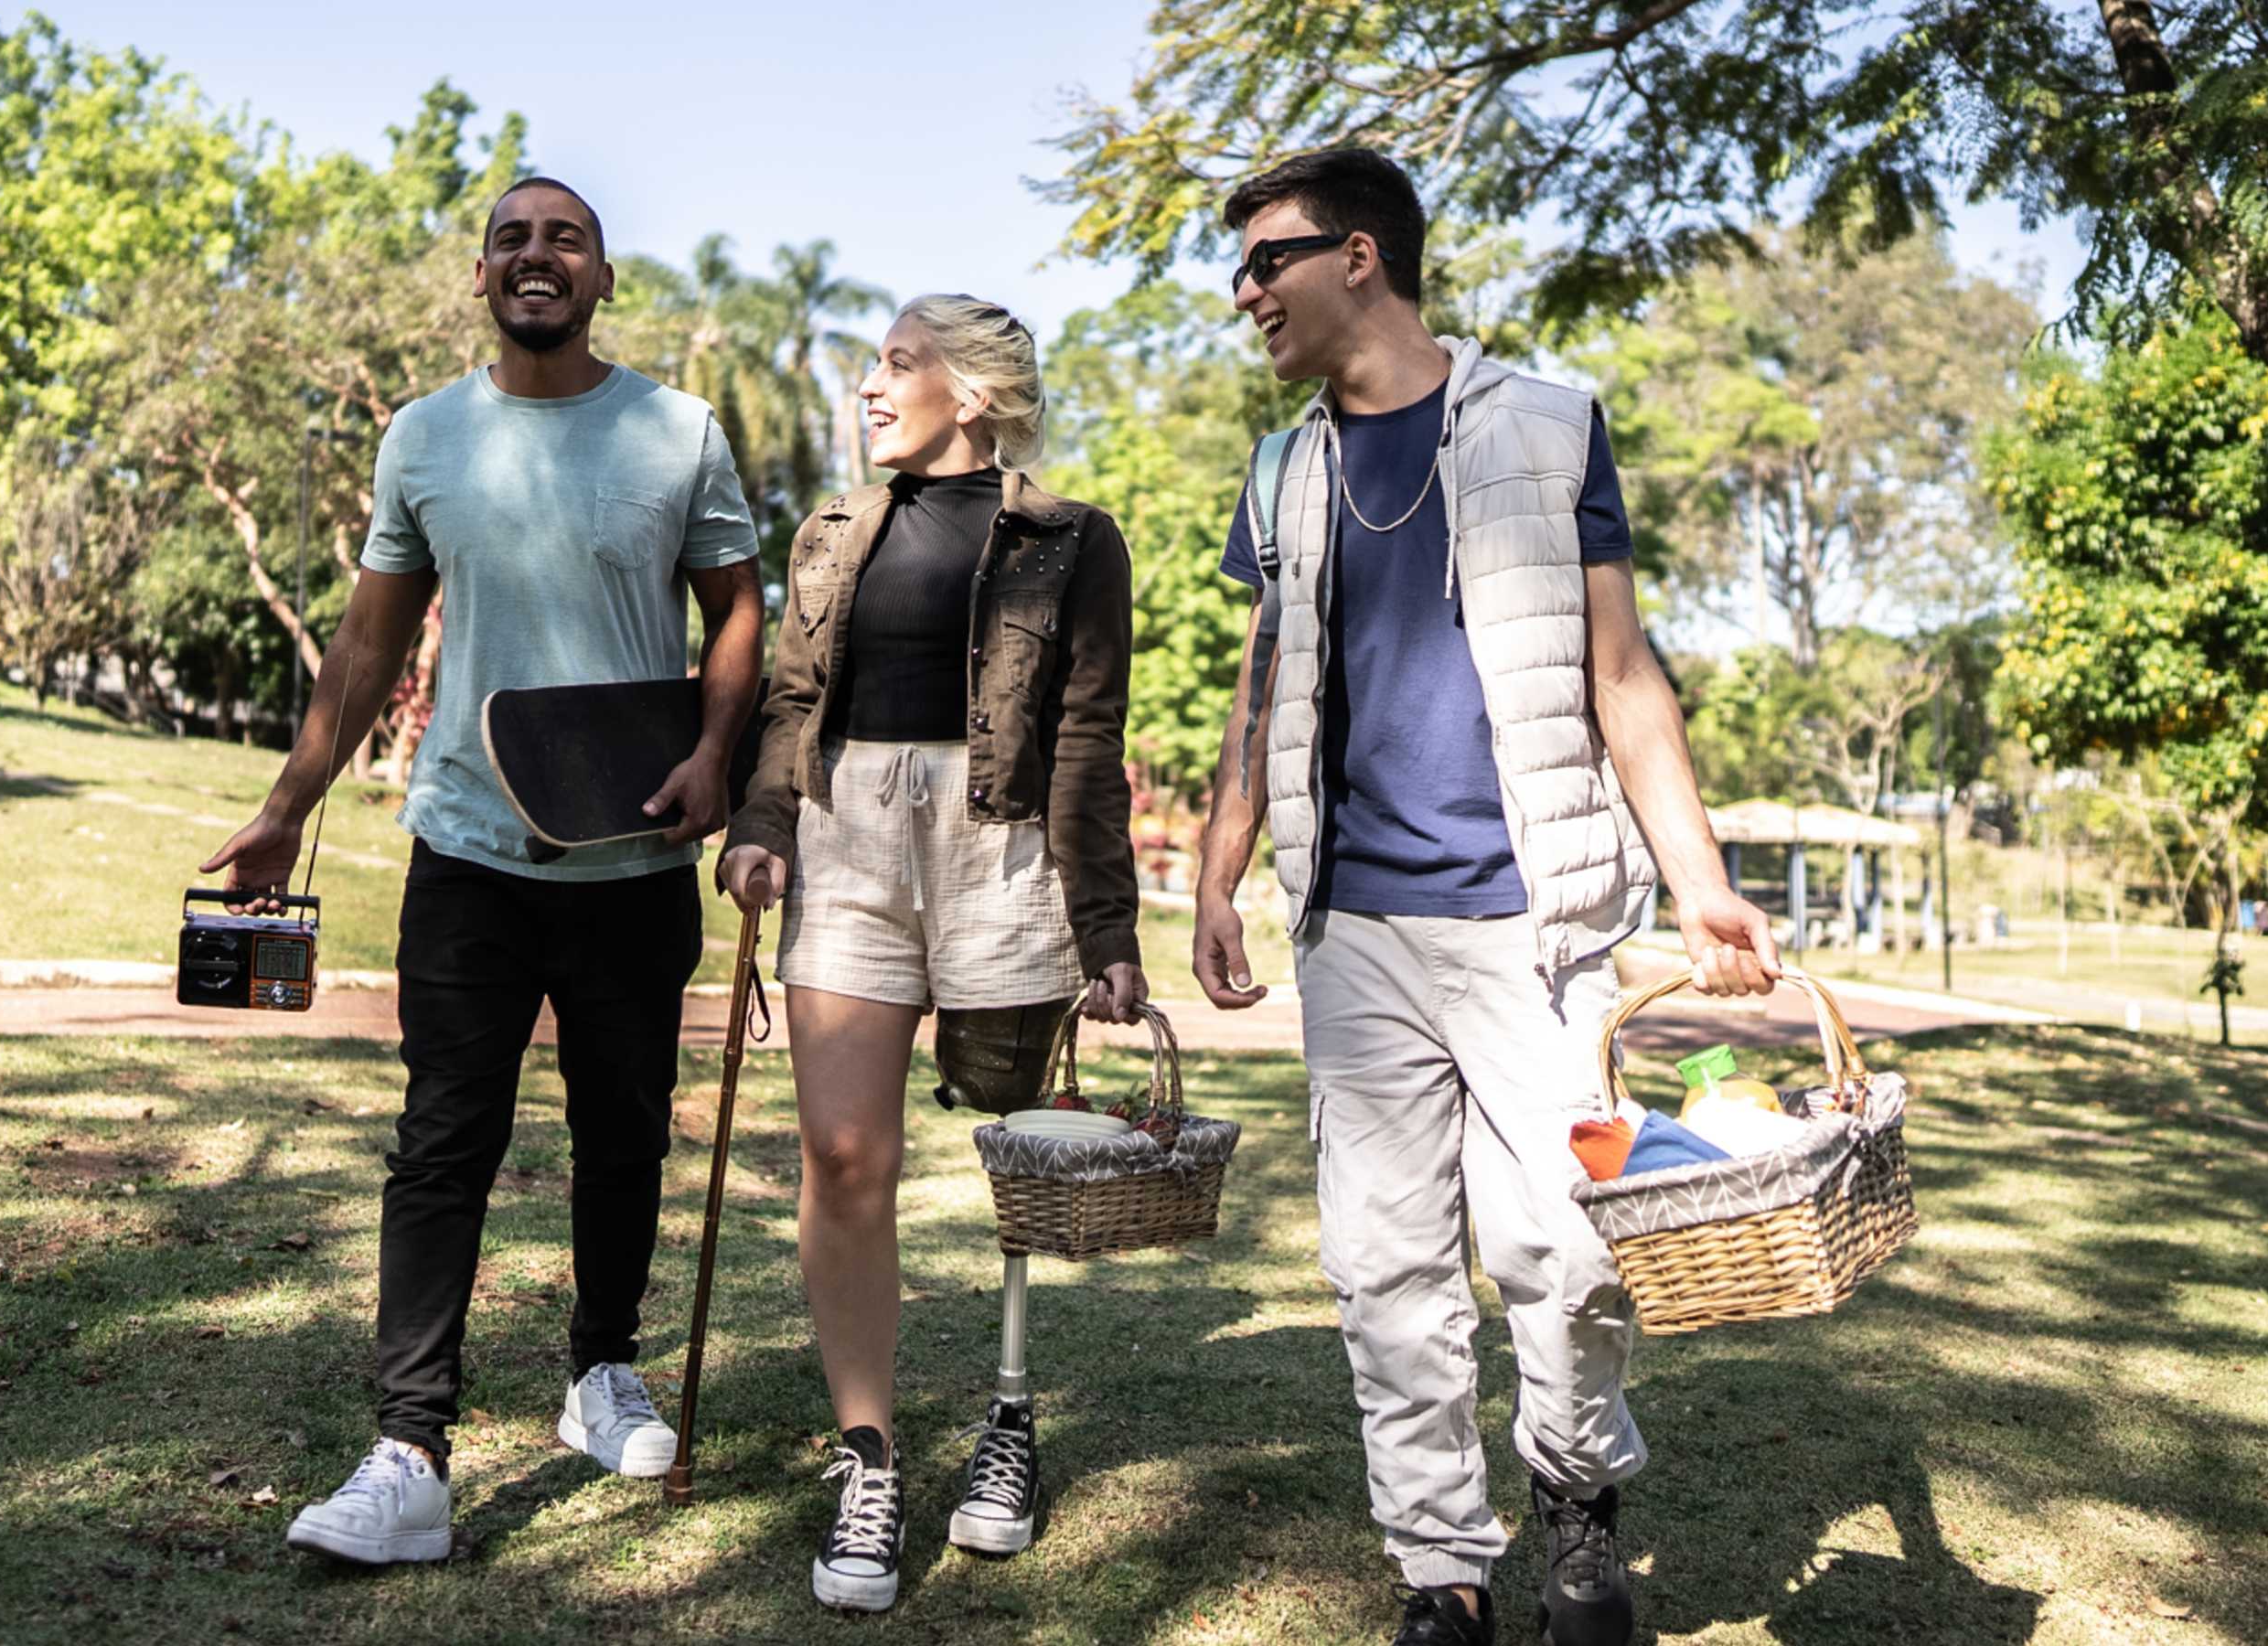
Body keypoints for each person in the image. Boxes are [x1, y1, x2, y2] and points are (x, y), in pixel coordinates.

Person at [1187, 147, 1783, 1646]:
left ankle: (1578, 1504)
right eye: (1242, 269)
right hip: (1355, 924)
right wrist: (1219, 871)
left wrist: (1702, 885)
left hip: (1539, 916)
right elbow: (1263, 691)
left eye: (1268, 261)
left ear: (1361, 258)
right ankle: (1442, 1575)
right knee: (1385, 1266)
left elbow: (1621, 672)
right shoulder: (1278, 469)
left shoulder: (1550, 423)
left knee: (1567, 1251)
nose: (1245, 292)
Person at [202, 176, 765, 1566]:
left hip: (631, 854)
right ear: (479, 277)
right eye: (512, 239)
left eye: (562, 238)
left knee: (623, 1134)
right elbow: (367, 644)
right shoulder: (427, 436)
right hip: (466, 851)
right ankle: (410, 1454)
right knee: (442, 1143)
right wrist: (288, 804)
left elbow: (741, 605)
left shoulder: (678, 432)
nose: (535, 257)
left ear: (602, 276)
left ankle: (600, 1372)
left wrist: (714, 753)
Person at [720, 294, 1148, 1613]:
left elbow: (1086, 736)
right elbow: (794, 697)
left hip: (1002, 853)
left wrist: (1109, 930)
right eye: (876, 364)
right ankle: (870, 1460)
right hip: (848, 840)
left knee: (1018, 1146)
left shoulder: (1073, 540)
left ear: (972, 392)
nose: (872, 385)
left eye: (899, 364)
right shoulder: (835, 529)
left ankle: (1009, 1414)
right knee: (847, 1155)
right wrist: (760, 823)